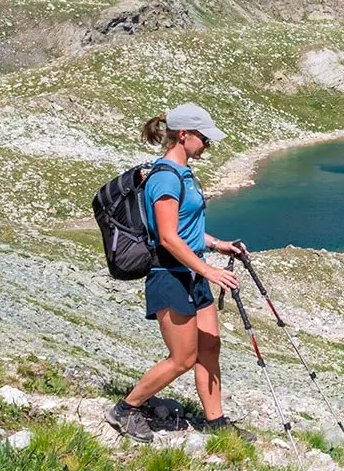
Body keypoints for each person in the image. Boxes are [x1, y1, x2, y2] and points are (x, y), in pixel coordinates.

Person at [107, 103, 251, 443]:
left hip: (191, 274)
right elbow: (168, 237)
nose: (207, 145)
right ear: (183, 135)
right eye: (203, 138)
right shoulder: (164, 178)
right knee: (183, 358)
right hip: (170, 276)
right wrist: (208, 271)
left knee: (209, 347)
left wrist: (218, 245)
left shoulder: (184, 175)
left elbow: (186, 230)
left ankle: (215, 422)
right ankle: (125, 410)